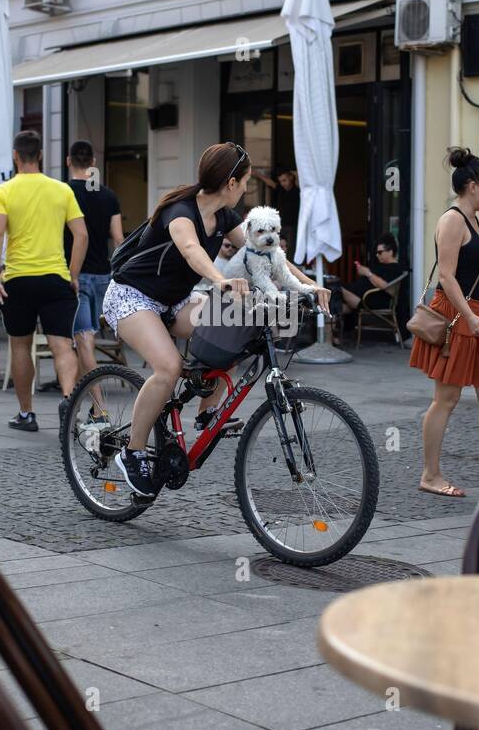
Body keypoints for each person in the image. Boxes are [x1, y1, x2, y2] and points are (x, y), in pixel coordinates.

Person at [103, 143, 329, 498]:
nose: (246, 190)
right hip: (132, 296)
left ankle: (207, 413)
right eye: (246, 182)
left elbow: (268, 255)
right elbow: (191, 249)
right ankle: (132, 451)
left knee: (238, 330)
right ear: (231, 183)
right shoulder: (179, 212)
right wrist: (220, 279)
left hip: (173, 300)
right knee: (168, 366)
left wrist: (309, 285)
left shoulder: (225, 217)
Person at [410, 148, 479, 498]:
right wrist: (470, 317)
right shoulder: (452, 220)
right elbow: (448, 276)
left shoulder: (478, 222)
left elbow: (478, 273)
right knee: (447, 397)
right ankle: (430, 474)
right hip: (459, 316)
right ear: (472, 186)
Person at [0, 131, 87, 433]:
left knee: (20, 346)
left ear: (16, 156)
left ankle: (27, 414)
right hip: (56, 278)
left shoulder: (3, 191)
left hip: (18, 280)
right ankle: (68, 402)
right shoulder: (62, 190)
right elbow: (81, 235)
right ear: (40, 155)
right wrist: (73, 274)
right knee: (63, 346)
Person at [63, 140, 123, 379]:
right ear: (93, 163)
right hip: (102, 276)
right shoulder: (108, 196)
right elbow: (119, 240)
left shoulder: (63, 193)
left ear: (69, 161)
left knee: (83, 337)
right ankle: (81, 391)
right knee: (87, 337)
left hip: (72, 274)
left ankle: (96, 401)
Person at [341, 233, 406, 313]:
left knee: (335, 291)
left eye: (380, 252)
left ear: (390, 252)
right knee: (336, 302)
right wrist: (364, 272)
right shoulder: (383, 265)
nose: (377, 255)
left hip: (368, 301)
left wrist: (368, 273)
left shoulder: (394, 268)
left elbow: (385, 285)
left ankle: (325, 320)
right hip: (361, 297)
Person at [253, 167, 301, 243]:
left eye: (284, 180)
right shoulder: (281, 189)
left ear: (291, 177)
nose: (282, 183)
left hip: (292, 227)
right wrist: (257, 174)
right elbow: (270, 183)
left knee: (290, 248)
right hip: (280, 227)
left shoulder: (298, 192)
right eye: (281, 181)